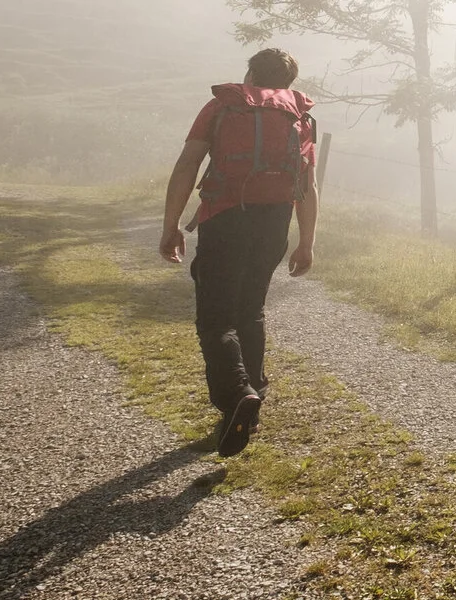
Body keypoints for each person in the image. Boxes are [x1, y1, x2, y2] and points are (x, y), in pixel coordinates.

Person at [157, 48, 320, 458]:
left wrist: (170, 225)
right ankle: (253, 398)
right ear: (289, 82)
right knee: (251, 310)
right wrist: (306, 242)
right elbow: (309, 186)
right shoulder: (299, 117)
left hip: (225, 219)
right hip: (275, 222)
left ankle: (237, 395)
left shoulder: (222, 107)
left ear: (250, 75)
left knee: (216, 319)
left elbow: (187, 165)